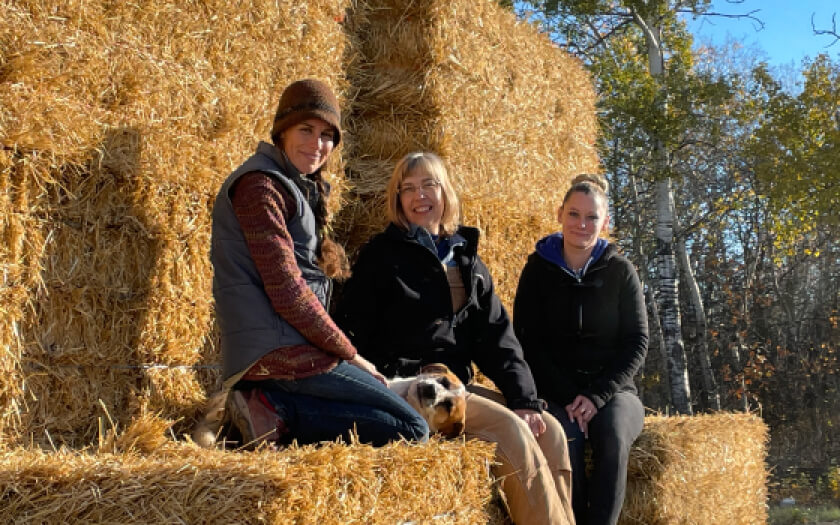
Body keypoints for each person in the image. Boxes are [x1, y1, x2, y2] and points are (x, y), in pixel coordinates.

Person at [335, 152, 575, 525]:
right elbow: (352, 332)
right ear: (398, 199)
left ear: (445, 191)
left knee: (551, 431)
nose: (419, 196)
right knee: (508, 430)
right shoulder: (381, 257)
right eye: (408, 189)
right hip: (412, 386)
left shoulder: (467, 262)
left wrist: (524, 399)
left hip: (457, 383)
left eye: (428, 184)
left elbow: (498, 338)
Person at [210, 79, 428, 448]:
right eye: (306, 130)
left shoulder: (293, 185)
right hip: (275, 355)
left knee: (399, 420)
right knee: (412, 429)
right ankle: (273, 407)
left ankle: (275, 410)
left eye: (327, 135)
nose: (317, 144)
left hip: (291, 349)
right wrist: (352, 356)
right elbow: (287, 291)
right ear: (282, 132)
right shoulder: (260, 187)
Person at [513, 174, 648, 525]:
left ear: (605, 223)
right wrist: (570, 398)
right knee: (564, 438)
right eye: (574, 214)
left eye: (592, 217)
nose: (582, 224)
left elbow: (637, 343)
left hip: (615, 392)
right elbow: (527, 341)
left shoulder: (621, 271)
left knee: (613, 436)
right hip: (555, 391)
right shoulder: (537, 270)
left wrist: (596, 397)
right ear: (560, 214)